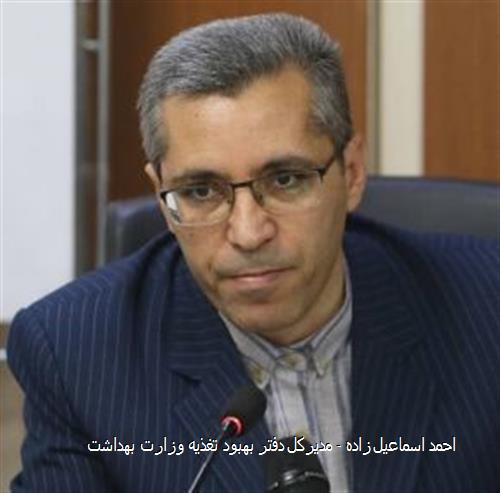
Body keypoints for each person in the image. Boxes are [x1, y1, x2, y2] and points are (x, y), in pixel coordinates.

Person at [7, 13, 499, 493]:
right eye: (201, 191)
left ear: (350, 173)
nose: (247, 233)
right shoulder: (75, 354)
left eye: (285, 180)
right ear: (161, 195)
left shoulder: (487, 308)